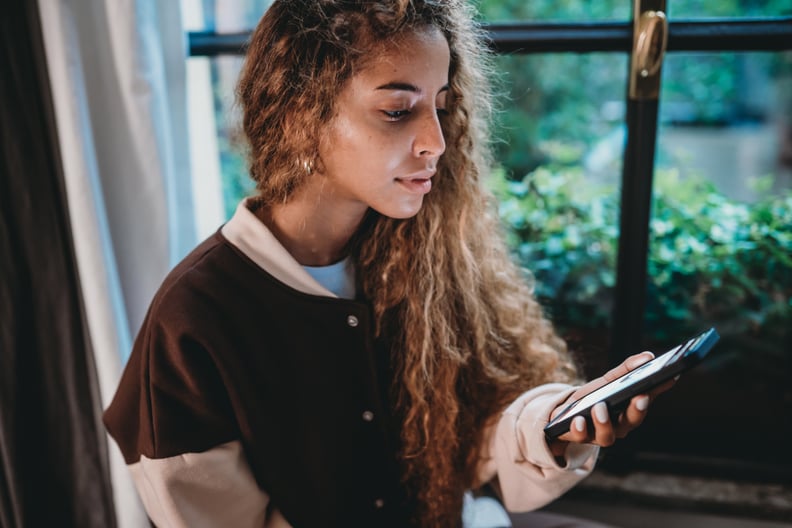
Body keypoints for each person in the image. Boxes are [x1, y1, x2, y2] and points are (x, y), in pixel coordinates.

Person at [103, 1, 671, 526]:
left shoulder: (422, 254)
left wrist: (556, 421)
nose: (437, 142)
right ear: (302, 115)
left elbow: (478, 430)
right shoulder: (194, 323)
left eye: (441, 107)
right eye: (398, 110)